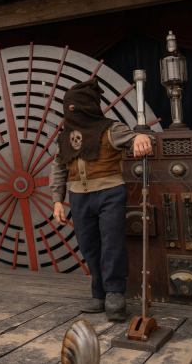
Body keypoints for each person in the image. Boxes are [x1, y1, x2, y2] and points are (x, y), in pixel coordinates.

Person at [50, 79, 153, 321]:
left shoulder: (110, 129)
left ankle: (115, 293)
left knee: (112, 244)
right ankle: (98, 293)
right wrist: (57, 200)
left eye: (74, 107)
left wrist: (140, 137)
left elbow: (134, 139)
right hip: (78, 197)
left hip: (109, 194)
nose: (70, 113)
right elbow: (59, 167)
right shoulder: (65, 137)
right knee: (89, 245)